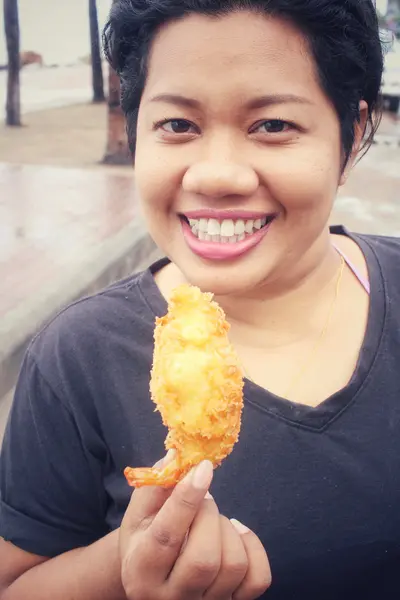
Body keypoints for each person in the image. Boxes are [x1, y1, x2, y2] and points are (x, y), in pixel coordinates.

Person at [0, 0, 397, 598]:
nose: (217, 176)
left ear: (354, 133)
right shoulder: (76, 356)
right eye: (178, 125)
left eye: (273, 125)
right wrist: (124, 566)